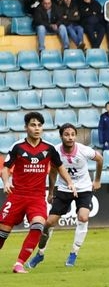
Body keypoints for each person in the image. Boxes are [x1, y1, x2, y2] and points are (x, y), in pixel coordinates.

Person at [1, 112, 76, 273]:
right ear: (26, 127)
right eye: (33, 125)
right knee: (2, 233)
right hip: (17, 196)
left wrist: (70, 182)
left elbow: (60, 167)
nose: (37, 128)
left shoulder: (49, 148)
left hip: (36, 197)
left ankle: (19, 263)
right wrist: (6, 181)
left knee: (38, 226)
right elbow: (5, 168)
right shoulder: (17, 147)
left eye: (39, 125)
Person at [26, 123, 102, 269]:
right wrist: (51, 192)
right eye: (66, 134)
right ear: (61, 136)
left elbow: (100, 159)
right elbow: (53, 171)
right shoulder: (54, 151)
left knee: (83, 217)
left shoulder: (83, 150)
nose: (70, 137)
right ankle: (40, 254)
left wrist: (97, 180)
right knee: (48, 223)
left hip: (84, 188)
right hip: (64, 189)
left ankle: (74, 252)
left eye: (73, 134)